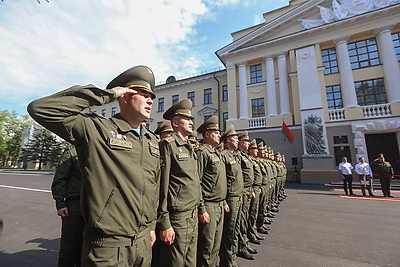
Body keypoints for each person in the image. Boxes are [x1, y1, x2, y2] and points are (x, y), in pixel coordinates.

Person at [28, 65, 161, 266]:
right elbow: (40, 109)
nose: (151, 99)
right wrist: (107, 94)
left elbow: (153, 186)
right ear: (125, 96)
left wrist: (151, 226)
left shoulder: (151, 140)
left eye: (151, 95)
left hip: (143, 243)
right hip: (108, 246)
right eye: (143, 94)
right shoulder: (98, 130)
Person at [157, 99, 201, 267]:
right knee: (175, 262)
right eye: (187, 119)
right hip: (178, 217)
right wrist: (165, 222)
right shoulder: (168, 145)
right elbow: (162, 185)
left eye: (191, 119)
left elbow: (194, 182)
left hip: (192, 213)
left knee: (190, 261)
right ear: (175, 123)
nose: (191, 122)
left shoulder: (189, 146)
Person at [196, 115, 227, 267]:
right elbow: (197, 182)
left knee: (216, 244)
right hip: (209, 205)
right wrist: (202, 209)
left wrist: (224, 201)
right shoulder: (203, 153)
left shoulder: (216, 153)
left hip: (220, 205)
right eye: (216, 132)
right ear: (207, 135)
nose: (220, 135)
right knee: (207, 246)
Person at [51, 146, 84, 267]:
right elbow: (60, 179)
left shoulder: (99, 150)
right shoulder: (72, 152)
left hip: (94, 208)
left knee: (87, 250)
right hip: (74, 207)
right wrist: (60, 203)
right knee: (69, 248)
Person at [219, 124, 244, 267]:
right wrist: (224, 201)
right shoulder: (224, 156)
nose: (237, 140)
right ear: (228, 140)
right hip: (231, 198)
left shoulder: (235, 155)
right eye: (235, 138)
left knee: (236, 228)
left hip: (238, 196)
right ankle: (227, 262)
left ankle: (232, 258)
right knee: (229, 231)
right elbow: (223, 180)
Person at [236, 131, 257, 261]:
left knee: (246, 217)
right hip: (240, 193)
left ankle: (244, 243)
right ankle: (241, 246)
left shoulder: (244, 156)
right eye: (247, 141)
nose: (248, 143)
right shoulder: (237, 156)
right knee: (240, 221)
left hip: (247, 191)